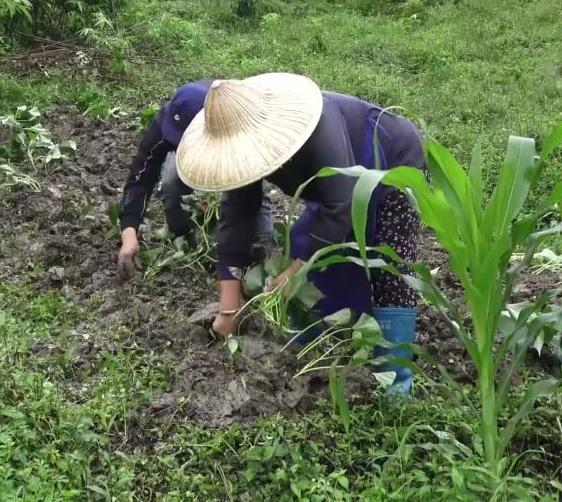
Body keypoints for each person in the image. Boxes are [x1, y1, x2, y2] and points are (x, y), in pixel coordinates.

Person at [174, 73, 425, 394]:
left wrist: (294, 272)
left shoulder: (319, 123)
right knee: (319, 258)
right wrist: (229, 309)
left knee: (388, 267)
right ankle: (336, 351)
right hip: (334, 192)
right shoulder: (245, 155)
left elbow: (340, 203)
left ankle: (395, 383)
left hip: (391, 161)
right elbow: (235, 224)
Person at [117, 80, 274, 279]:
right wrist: (129, 234)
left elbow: (250, 186)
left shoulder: (237, 127)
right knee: (171, 184)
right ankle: (186, 239)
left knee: (256, 240)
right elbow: (141, 176)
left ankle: (255, 246)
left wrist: (214, 197)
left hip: (234, 152)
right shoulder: (168, 120)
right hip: (200, 143)